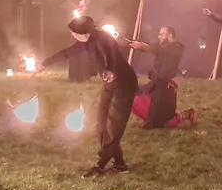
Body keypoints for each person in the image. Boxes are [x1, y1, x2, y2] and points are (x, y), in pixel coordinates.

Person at [40, 16, 139, 177]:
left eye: (74, 33)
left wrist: (110, 70)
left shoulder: (103, 39)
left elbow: (111, 54)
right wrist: (44, 63)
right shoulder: (87, 41)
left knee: (114, 128)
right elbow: (68, 52)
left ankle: (100, 165)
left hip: (123, 84)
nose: (73, 36)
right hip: (109, 84)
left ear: (83, 33)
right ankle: (120, 165)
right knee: (100, 125)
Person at [122, 26, 197, 128]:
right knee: (133, 95)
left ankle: (188, 114)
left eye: (162, 34)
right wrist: (137, 45)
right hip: (157, 83)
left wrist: (143, 46)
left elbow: (161, 50)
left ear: (170, 36)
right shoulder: (162, 46)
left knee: (166, 122)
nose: (159, 37)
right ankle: (151, 119)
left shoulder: (177, 48)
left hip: (166, 86)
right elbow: (154, 48)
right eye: (159, 34)